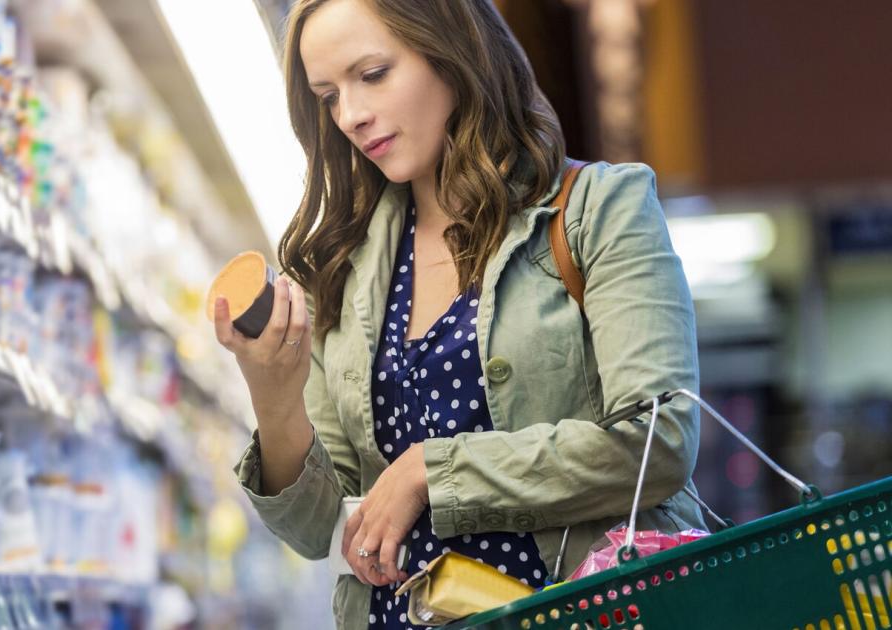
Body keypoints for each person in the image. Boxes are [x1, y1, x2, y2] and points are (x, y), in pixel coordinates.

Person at [211, 1, 707, 628]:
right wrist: (272, 395)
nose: (352, 116)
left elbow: (657, 442)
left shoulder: (599, 211)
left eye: (372, 74)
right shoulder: (340, 271)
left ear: (451, 49)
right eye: (328, 95)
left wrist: (430, 471)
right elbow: (320, 530)